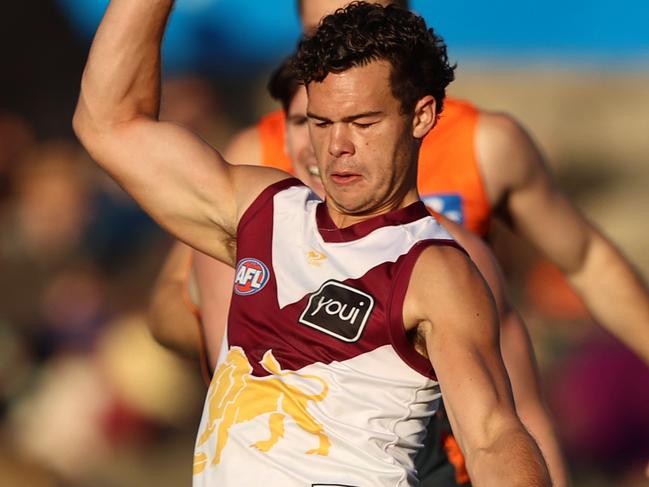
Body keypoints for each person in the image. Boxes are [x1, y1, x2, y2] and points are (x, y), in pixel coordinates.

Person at [74, 1, 551, 485]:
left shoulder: (435, 269)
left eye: (363, 122)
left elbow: (493, 436)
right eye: (320, 123)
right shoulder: (262, 211)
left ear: (422, 115)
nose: (337, 146)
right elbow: (109, 125)